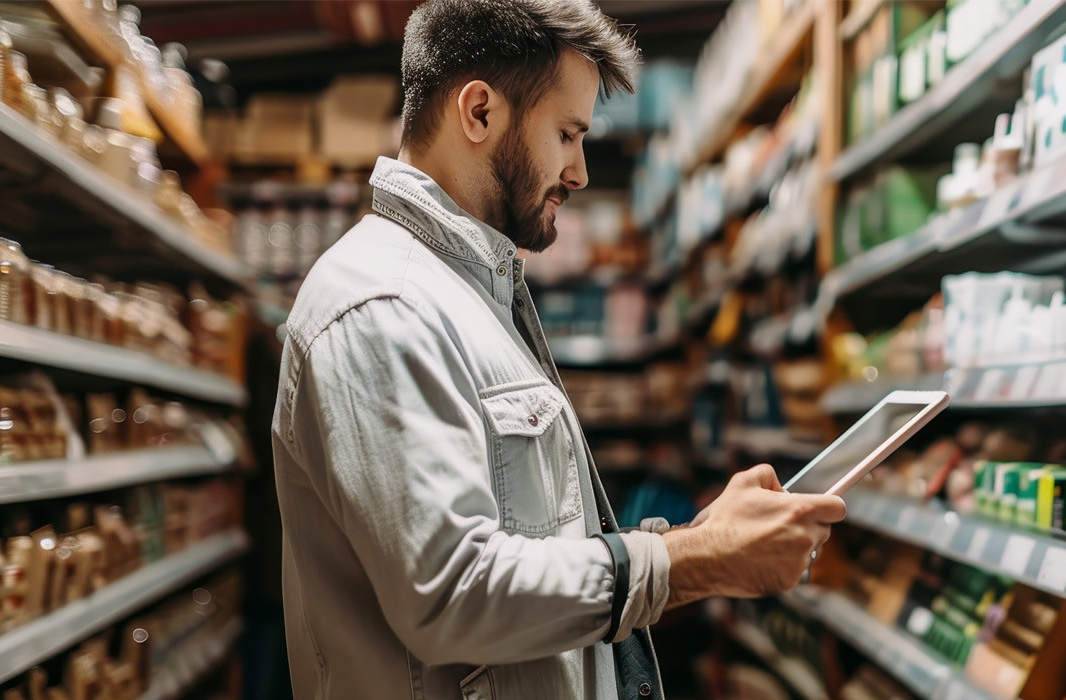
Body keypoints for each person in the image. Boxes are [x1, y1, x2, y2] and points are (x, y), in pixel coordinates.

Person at [270, 1, 848, 698]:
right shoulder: (382, 306)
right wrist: (695, 560)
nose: (578, 171)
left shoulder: (470, 291)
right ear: (479, 113)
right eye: (567, 134)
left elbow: (529, 547)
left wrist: (702, 535)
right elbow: (452, 594)